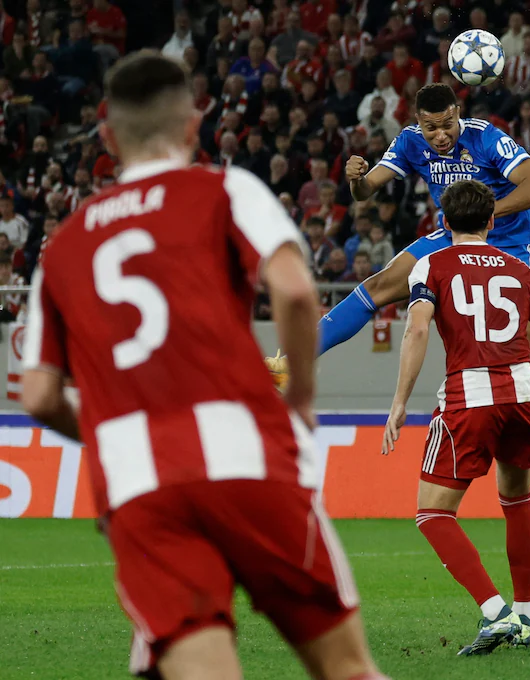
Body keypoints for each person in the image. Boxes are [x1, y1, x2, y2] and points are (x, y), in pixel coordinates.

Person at [19, 52, 387, 680]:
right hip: (246, 450)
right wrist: (298, 399)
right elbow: (296, 292)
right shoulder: (224, 187)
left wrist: (113, 429)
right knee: (347, 668)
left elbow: (39, 396)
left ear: (106, 138)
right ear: (193, 126)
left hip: (139, 482)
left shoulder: (63, 247)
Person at [269, 83, 530, 519]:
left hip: (510, 244)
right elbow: (368, 189)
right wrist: (357, 180)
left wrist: (485, 213)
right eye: (431, 127)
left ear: (459, 113)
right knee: (380, 284)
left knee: (528, 343)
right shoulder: (411, 142)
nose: (440, 135)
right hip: (453, 236)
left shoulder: (486, 136)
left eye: (447, 124)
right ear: (418, 122)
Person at [381, 180, 530, 655]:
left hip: (469, 397)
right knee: (516, 501)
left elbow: (417, 329)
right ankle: (525, 617)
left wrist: (400, 400)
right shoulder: (520, 268)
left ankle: (496, 612)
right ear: (491, 221)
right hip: (523, 397)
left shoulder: (432, 264)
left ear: (443, 222)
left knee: (432, 513)